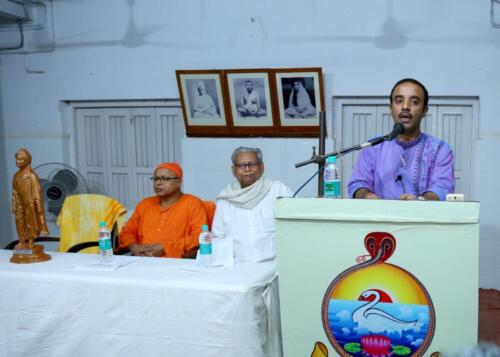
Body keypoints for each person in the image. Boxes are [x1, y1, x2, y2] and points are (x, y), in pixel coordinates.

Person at [347, 78, 455, 201]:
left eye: (414, 102)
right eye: (399, 101)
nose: (405, 107)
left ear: (424, 111)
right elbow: (358, 184)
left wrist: (420, 200)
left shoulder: (440, 150)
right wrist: (366, 195)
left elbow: (443, 188)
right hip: (379, 218)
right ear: (391, 108)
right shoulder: (373, 147)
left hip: (423, 218)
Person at [211, 147, 293, 263]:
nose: (247, 169)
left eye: (252, 164)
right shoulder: (226, 198)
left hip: (274, 268)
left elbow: (295, 228)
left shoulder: (278, 190)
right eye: (241, 165)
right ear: (233, 170)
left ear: (262, 167)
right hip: (237, 267)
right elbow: (218, 237)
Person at [119, 162, 208, 258]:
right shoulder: (145, 204)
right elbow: (127, 231)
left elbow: (199, 236)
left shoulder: (193, 204)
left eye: (165, 179)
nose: (158, 183)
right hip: (141, 259)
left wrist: (165, 248)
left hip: (176, 261)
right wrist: (134, 247)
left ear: (178, 182)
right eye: (156, 179)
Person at [12, 148, 49, 248]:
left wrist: (39, 207)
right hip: (19, 203)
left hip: (30, 203)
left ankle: (31, 240)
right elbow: (14, 191)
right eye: (16, 159)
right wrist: (14, 204)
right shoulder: (16, 176)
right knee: (19, 221)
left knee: (31, 222)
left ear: (27, 161)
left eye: (20, 159)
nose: (17, 162)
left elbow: (37, 193)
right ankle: (22, 240)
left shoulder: (32, 176)